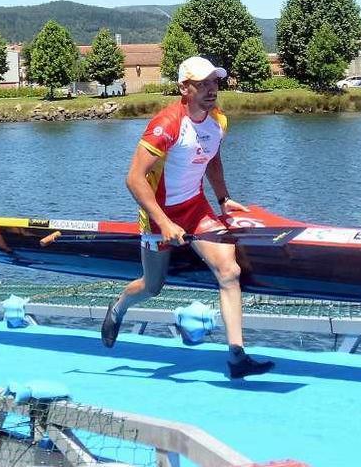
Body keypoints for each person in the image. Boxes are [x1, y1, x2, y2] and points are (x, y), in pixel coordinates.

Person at [100, 56, 275, 379]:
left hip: (195, 207)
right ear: (184, 87)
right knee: (153, 286)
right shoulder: (167, 124)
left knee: (229, 270)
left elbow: (212, 159)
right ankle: (119, 307)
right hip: (159, 214)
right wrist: (165, 223)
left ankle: (237, 356)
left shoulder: (218, 121)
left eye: (215, 83)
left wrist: (223, 198)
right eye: (203, 84)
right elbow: (134, 179)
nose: (212, 90)